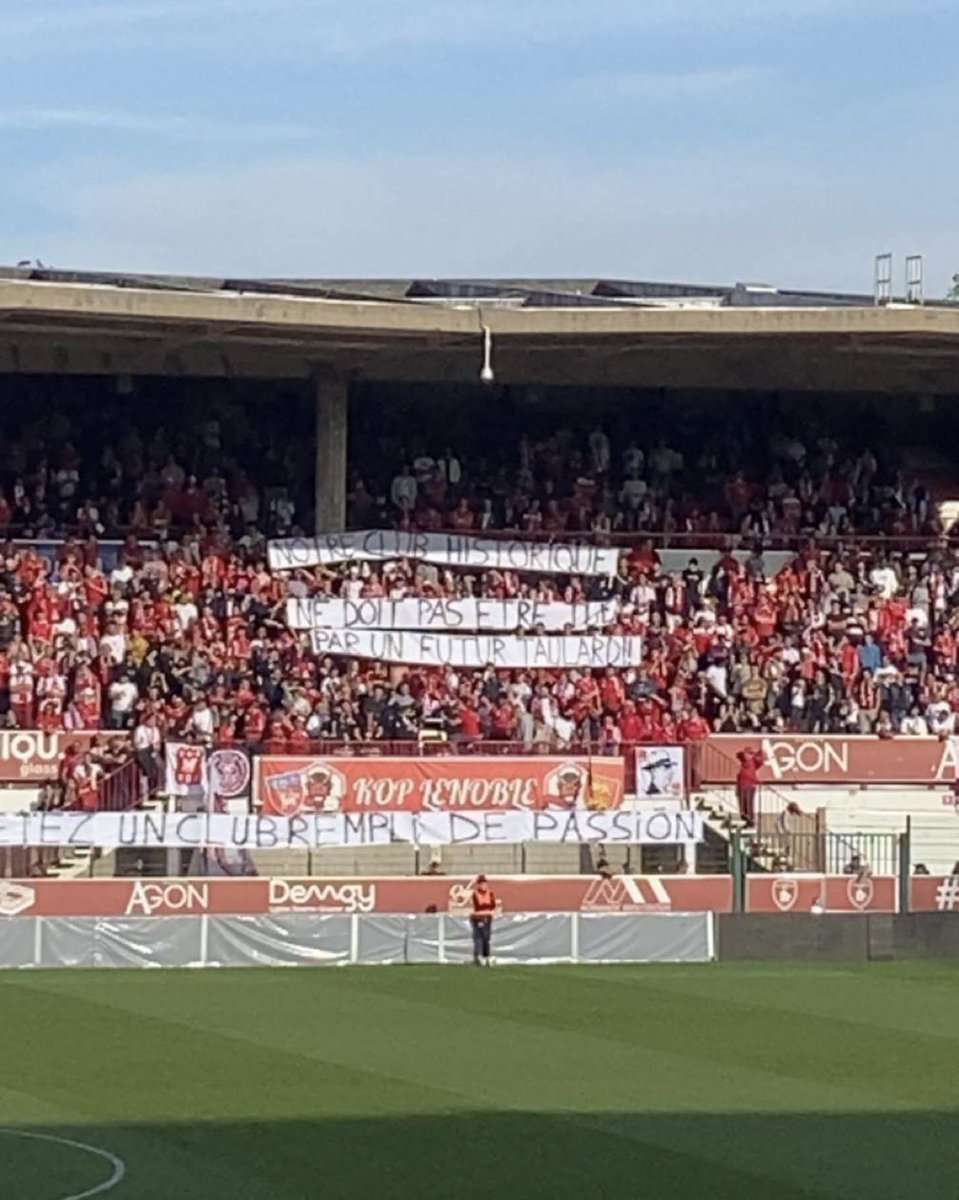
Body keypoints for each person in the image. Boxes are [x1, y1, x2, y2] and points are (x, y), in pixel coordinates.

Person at [470, 874, 496, 966]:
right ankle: (479, 956)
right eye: (481, 883)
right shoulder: (475, 894)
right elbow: (478, 907)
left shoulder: (490, 893)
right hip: (479, 918)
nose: (483, 885)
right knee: (480, 937)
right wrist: (486, 909)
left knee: (487, 937)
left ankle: (486, 956)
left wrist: (487, 909)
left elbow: (492, 905)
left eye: (484, 883)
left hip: (488, 918)